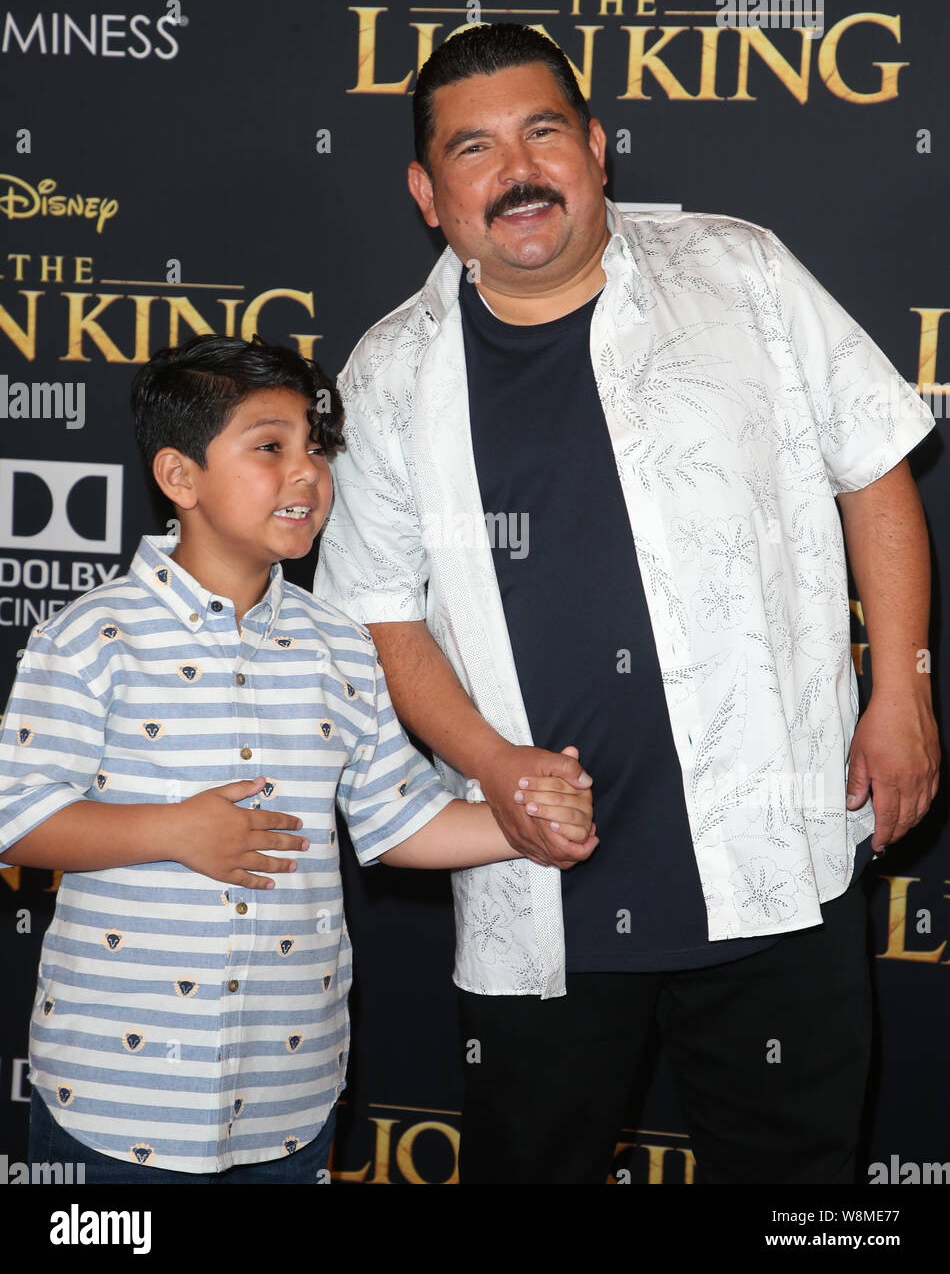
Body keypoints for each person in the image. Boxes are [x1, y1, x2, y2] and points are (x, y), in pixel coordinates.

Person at [314, 23, 940, 1184]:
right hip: (537, 877)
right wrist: (492, 767)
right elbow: (379, 615)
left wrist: (900, 688)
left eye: (542, 130)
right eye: (473, 147)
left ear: (597, 149)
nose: (517, 170)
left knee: (801, 1190)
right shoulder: (390, 373)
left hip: (769, 858)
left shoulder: (739, 271)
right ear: (425, 189)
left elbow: (871, 469)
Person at [0, 332, 594, 1184]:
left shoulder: (340, 647)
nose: (308, 474)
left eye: (317, 449)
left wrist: (525, 825)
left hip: (287, 1101)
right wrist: (176, 832)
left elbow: (402, 821)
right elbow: (17, 816)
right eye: (270, 447)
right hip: (113, 1099)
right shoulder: (92, 638)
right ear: (179, 477)